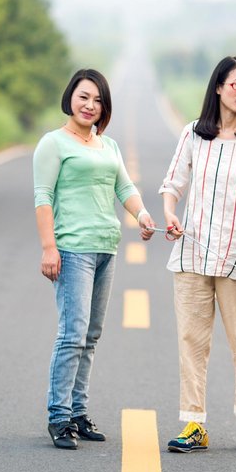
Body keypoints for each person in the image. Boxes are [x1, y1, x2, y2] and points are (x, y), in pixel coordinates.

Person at [159, 56, 236, 453]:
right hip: (191, 255)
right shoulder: (194, 134)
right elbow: (173, 182)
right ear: (218, 87)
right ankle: (194, 424)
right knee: (192, 342)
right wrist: (169, 213)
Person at [33, 68, 156, 450]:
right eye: (84, 96)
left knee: (91, 336)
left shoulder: (109, 146)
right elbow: (43, 197)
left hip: (106, 247)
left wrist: (143, 215)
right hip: (72, 249)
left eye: (98, 100)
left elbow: (124, 186)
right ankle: (58, 417)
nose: (90, 105)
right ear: (70, 96)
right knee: (72, 334)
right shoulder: (53, 144)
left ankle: (78, 413)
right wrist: (48, 247)